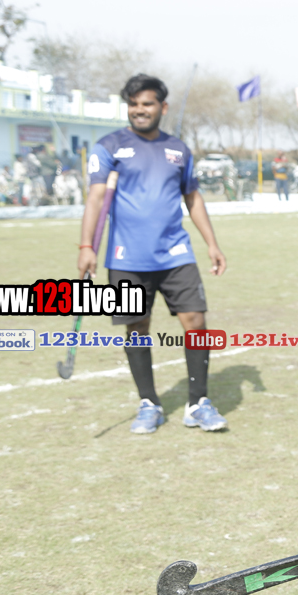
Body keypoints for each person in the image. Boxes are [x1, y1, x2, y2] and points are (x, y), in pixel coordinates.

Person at [78, 74, 229, 434]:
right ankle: (149, 403)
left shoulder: (179, 150)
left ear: (162, 107)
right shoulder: (109, 146)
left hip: (175, 253)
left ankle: (198, 403)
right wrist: (86, 247)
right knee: (137, 328)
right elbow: (95, 199)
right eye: (133, 104)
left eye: (147, 104)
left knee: (195, 321)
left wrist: (212, 243)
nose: (139, 110)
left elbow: (192, 198)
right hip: (126, 257)